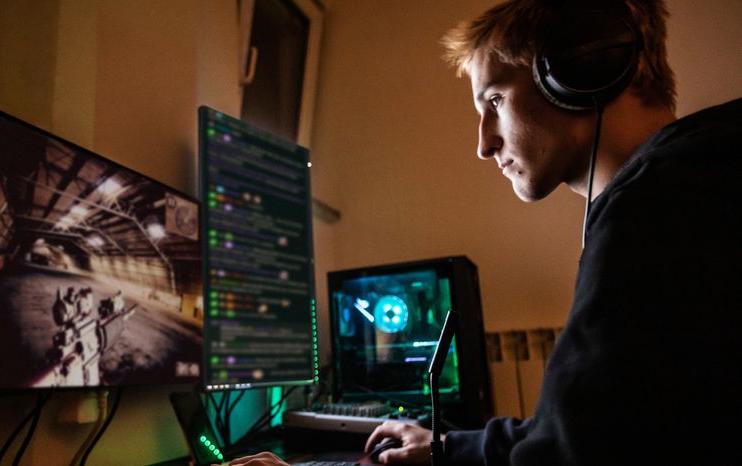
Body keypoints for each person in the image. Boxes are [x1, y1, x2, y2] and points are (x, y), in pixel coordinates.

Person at [230, 1, 741, 465]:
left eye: (494, 100)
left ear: (580, 67)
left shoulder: (659, 208)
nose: (483, 144)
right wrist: (447, 447)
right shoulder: (692, 184)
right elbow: (586, 431)